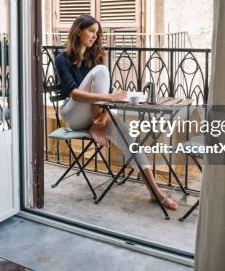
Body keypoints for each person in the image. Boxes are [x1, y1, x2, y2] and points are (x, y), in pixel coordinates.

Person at [54, 15, 178, 210]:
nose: (95, 36)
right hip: (73, 115)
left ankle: (155, 192)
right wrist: (110, 99)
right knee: (102, 71)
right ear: (78, 31)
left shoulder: (94, 57)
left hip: (95, 114)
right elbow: (75, 94)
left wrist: (103, 116)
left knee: (129, 138)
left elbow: (102, 96)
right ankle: (96, 127)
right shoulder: (62, 58)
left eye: (97, 33)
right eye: (91, 31)